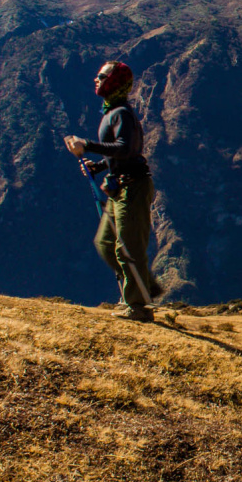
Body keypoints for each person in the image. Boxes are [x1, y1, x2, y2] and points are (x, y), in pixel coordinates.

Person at [64, 60, 163, 321]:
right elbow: (122, 152)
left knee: (128, 248)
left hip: (132, 188)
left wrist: (87, 145)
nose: (96, 80)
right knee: (106, 244)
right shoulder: (115, 112)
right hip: (121, 187)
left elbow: (125, 147)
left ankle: (139, 307)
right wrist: (98, 166)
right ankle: (142, 288)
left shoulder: (120, 114)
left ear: (114, 82)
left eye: (101, 77)